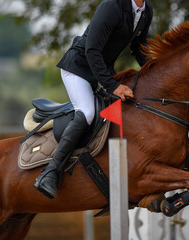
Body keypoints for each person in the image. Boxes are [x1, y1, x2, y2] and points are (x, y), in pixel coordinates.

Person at [34, 0, 153, 199]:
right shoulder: (112, 7)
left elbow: (138, 46)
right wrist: (113, 86)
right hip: (78, 68)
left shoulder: (145, 10)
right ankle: (50, 172)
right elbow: (92, 50)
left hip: (101, 70)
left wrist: (155, 69)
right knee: (87, 113)